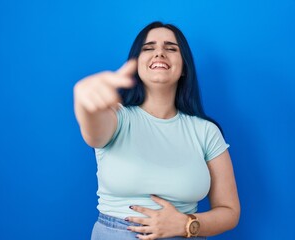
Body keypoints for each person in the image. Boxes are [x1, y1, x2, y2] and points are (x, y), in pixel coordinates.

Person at [74, 21, 240, 240]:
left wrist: (187, 224)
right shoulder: (116, 118)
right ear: (136, 64)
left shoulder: (206, 131)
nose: (159, 53)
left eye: (171, 48)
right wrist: (83, 101)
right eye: (148, 48)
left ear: (183, 68)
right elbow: (92, 130)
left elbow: (230, 212)